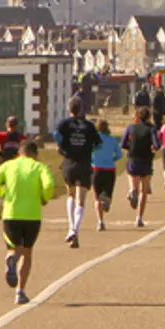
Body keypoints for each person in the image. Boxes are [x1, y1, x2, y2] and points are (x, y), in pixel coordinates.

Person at [0, 138, 57, 305]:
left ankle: (11, 258)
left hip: (11, 213)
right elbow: (49, 185)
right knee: (27, 252)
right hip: (32, 215)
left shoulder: (8, 166)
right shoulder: (39, 167)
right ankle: (20, 291)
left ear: (20, 152)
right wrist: (43, 197)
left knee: (13, 247)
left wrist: (3, 193)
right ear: (35, 154)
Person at [54, 96, 101, 248]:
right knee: (81, 200)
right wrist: (89, 149)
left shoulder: (64, 124)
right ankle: (75, 230)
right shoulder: (89, 125)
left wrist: (62, 147)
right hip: (84, 162)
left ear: (69, 109)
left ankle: (70, 228)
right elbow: (98, 144)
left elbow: (57, 136)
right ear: (81, 109)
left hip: (69, 162)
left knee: (71, 195)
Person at [121, 107, 158, 227]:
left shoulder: (131, 127)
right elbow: (157, 144)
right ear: (148, 117)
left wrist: (130, 147)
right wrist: (153, 149)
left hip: (133, 158)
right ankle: (139, 217)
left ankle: (132, 190)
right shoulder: (151, 128)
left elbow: (123, 143)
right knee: (144, 190)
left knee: (132, 175)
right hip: (146, 160)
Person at [90, 117, 122, 230]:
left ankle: (100, 221)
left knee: (97, 198)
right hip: (109, 169)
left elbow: (89, 154)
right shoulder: (112, 140)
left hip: (97, 169)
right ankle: (107, 199)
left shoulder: (93, 140)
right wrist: (111, 159)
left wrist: (92, 162)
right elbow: (119, 154)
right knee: (108, 193)